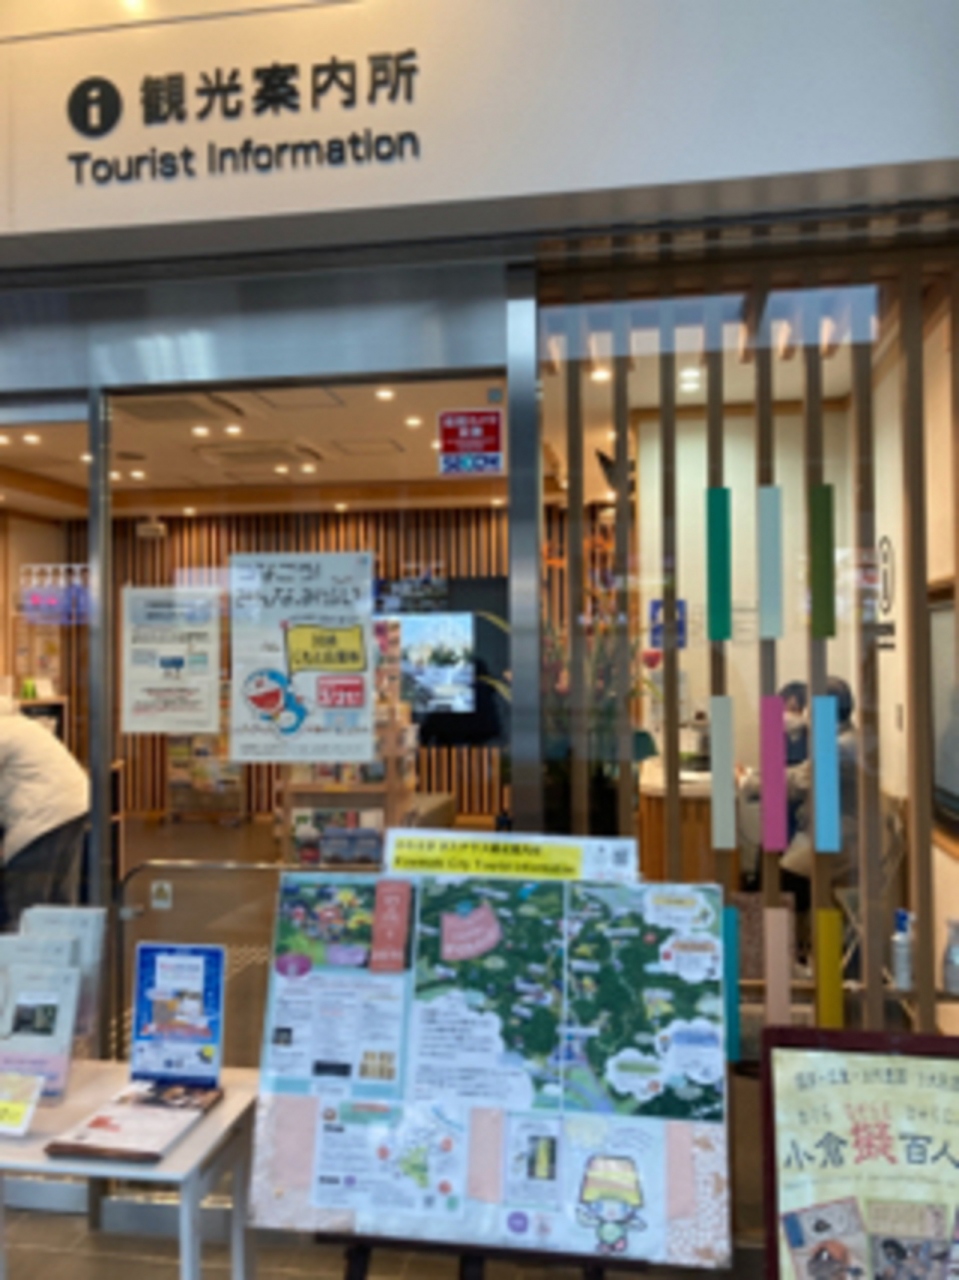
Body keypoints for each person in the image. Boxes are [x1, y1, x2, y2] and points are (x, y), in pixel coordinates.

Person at [0, 699, 89, 929]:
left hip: (43, 815)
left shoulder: (3, 732)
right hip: (72, 807)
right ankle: (64, 947)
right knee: (58, 895)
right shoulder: (20, 725)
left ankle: (26, 948)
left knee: (26, 899)